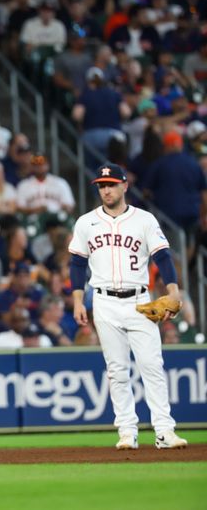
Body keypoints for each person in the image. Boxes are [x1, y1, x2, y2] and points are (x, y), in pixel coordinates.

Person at [68, 163, 187, 450]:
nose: (106, 190)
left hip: (139, 301)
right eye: (101, 185)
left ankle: (164, 431)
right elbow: (77, 264)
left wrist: (173, 291)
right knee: (117, 370)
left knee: (151, 366)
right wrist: (77, 301)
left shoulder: (144, 220)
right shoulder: (86, 222)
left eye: (110, 184)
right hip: (104, 301)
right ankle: (126, 431)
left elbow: (163, 257)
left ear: (124, 186)